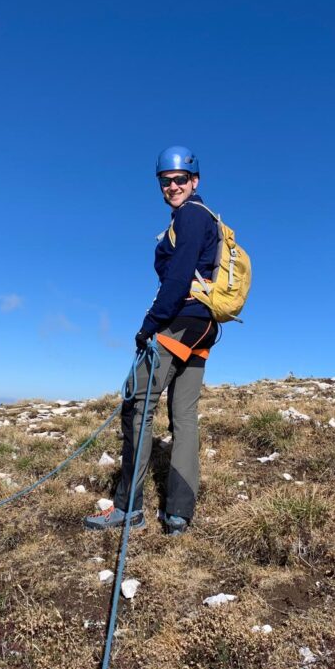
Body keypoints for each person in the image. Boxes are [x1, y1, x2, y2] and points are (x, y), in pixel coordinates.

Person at [85, 146, 220, 536]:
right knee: (184, 416)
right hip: (205, 326)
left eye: (180, 179)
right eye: (166, 180)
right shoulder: (201, 218)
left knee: (138, 405)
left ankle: (129, 509)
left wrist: (149, 325)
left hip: (179, 321)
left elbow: (177, 279)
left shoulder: (191, 216)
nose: (173, 186)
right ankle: (178, 514)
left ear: (194, 181)